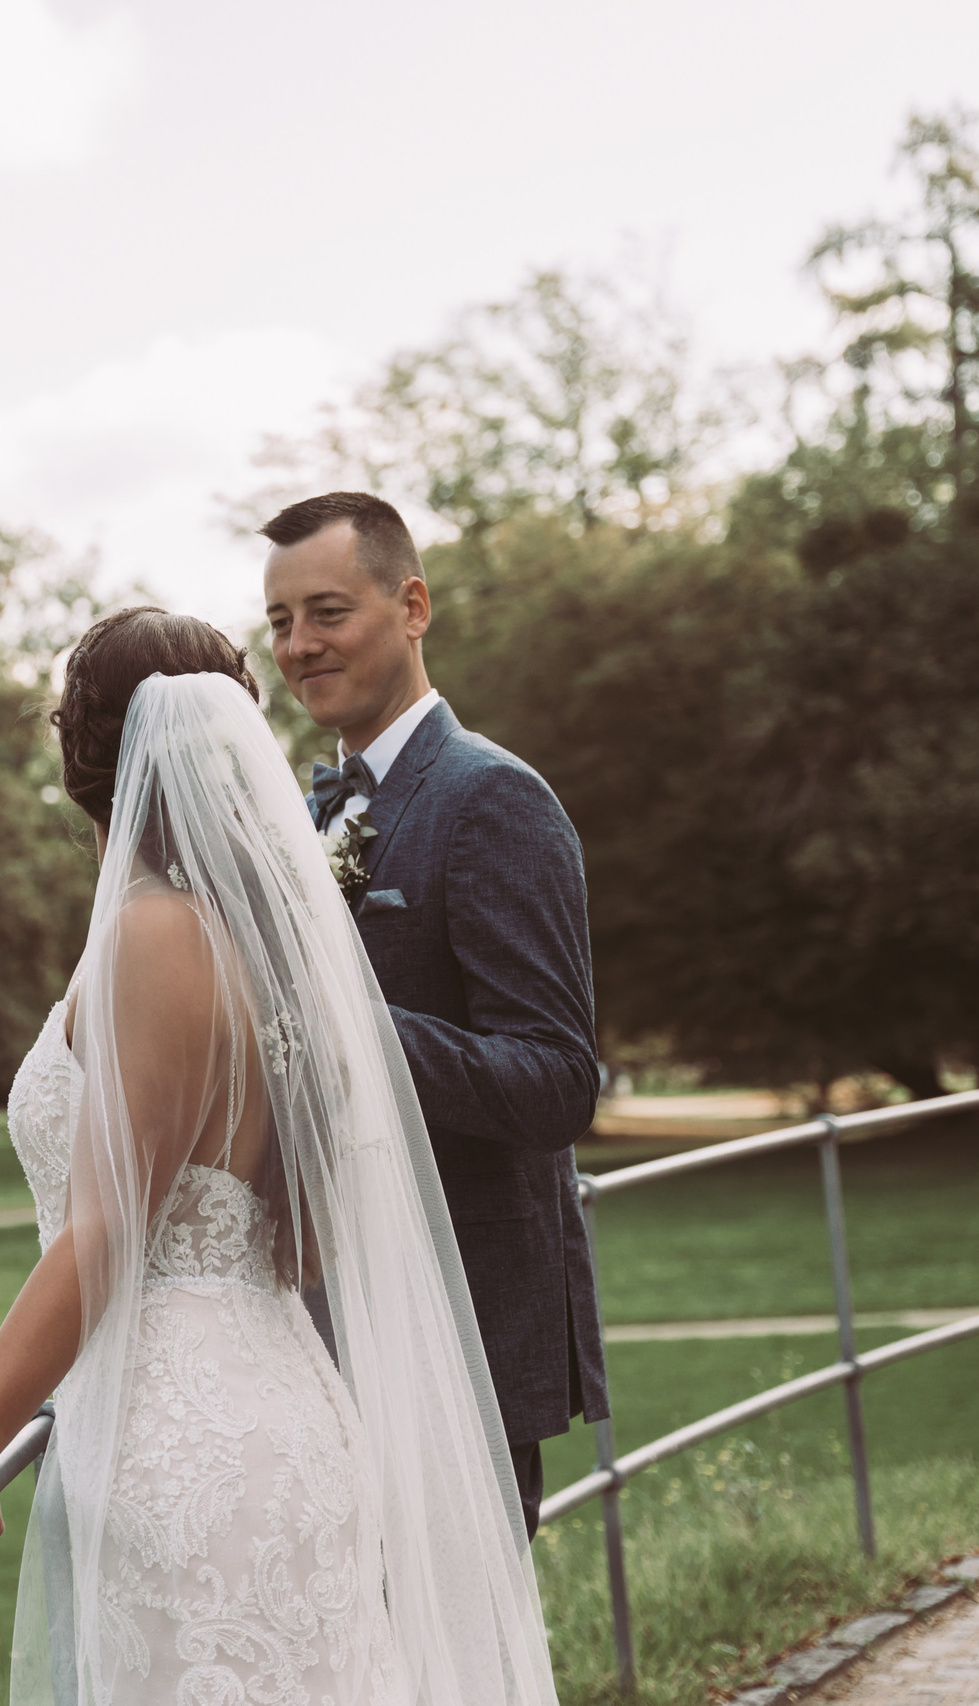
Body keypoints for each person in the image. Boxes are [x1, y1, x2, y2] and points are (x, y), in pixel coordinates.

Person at [0, 610, 558, 1706]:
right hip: (287, 1409)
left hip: (186, 1446)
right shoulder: (265, 937)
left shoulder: (157, 933)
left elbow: (108, 1226)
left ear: (83, 751)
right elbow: (297, 1231)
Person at [260, 491, 608, 1536]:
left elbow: (555, 1078)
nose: (298, 645)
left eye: (327, 611)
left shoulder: (490, 797)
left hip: (457, 1331)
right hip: (333, 1317)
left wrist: (347, 1032)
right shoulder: (312, 807)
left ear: (411, 604)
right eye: (278, 621)